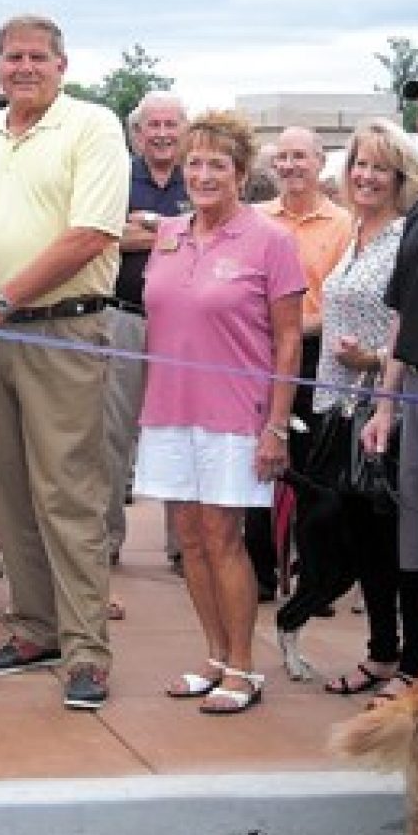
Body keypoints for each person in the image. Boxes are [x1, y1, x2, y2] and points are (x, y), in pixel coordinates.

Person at [0, 14, 129, 710]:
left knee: (68, 493)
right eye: (12, 57)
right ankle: (35, 628)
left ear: (62, 64)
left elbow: (89, 235)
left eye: (37, 57)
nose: (24, 67)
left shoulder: (92, 126)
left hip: (62, 333)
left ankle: (86, 650)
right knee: (9, 485)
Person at [136, 110, 305, 714]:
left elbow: (288, 341)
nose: (204, 175)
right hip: (168, 407)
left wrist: (276, 425)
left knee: (223, 537)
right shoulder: (169, 233)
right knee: (188, 536)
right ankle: (213, 655)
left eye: (217, 164)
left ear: (241, 172)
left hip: (237, 413)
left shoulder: (271, 241)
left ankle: (243, 666)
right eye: (195, 163)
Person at [307, 119, 418, 697]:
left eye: (381, 167)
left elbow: (414, 331)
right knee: (360, 540)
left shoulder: (408, 236)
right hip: (339, 410)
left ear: (401, 176)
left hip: (389, 413)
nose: (367, 176)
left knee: (398, 543)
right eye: (360, 164)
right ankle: (381, 653)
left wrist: (373, 362)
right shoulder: (351, 235)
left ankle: (410, 660)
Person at [248, 127, 352, 603]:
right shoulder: (254, 220)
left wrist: (294, 328)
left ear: (319, 161)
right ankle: (259, 572)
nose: (290, 166)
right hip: (257, 354)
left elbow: (341, 302)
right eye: (283, 157)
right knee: (256, 459)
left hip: (316, 355)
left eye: (300, 157)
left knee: (310, 469)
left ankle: (312, 575)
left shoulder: (343, 225)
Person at [363, 77, 418, 706]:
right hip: (417, 392)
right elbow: (401, 318)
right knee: (416, 529)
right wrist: (385, 404)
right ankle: (414, 666)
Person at [109, 91, 189, 575]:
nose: (161, 133)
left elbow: (208, 235)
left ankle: (183, 546)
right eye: (151, 125)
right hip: (122, 320)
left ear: (184, 130)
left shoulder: (199, 178)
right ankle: (106, 542)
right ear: (136, 134)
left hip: (182, 329)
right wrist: (174, 231)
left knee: (178, 434)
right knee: (110, 435)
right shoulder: (118, 177)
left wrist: (149, 229)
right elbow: (104, 235)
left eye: (170, 124)